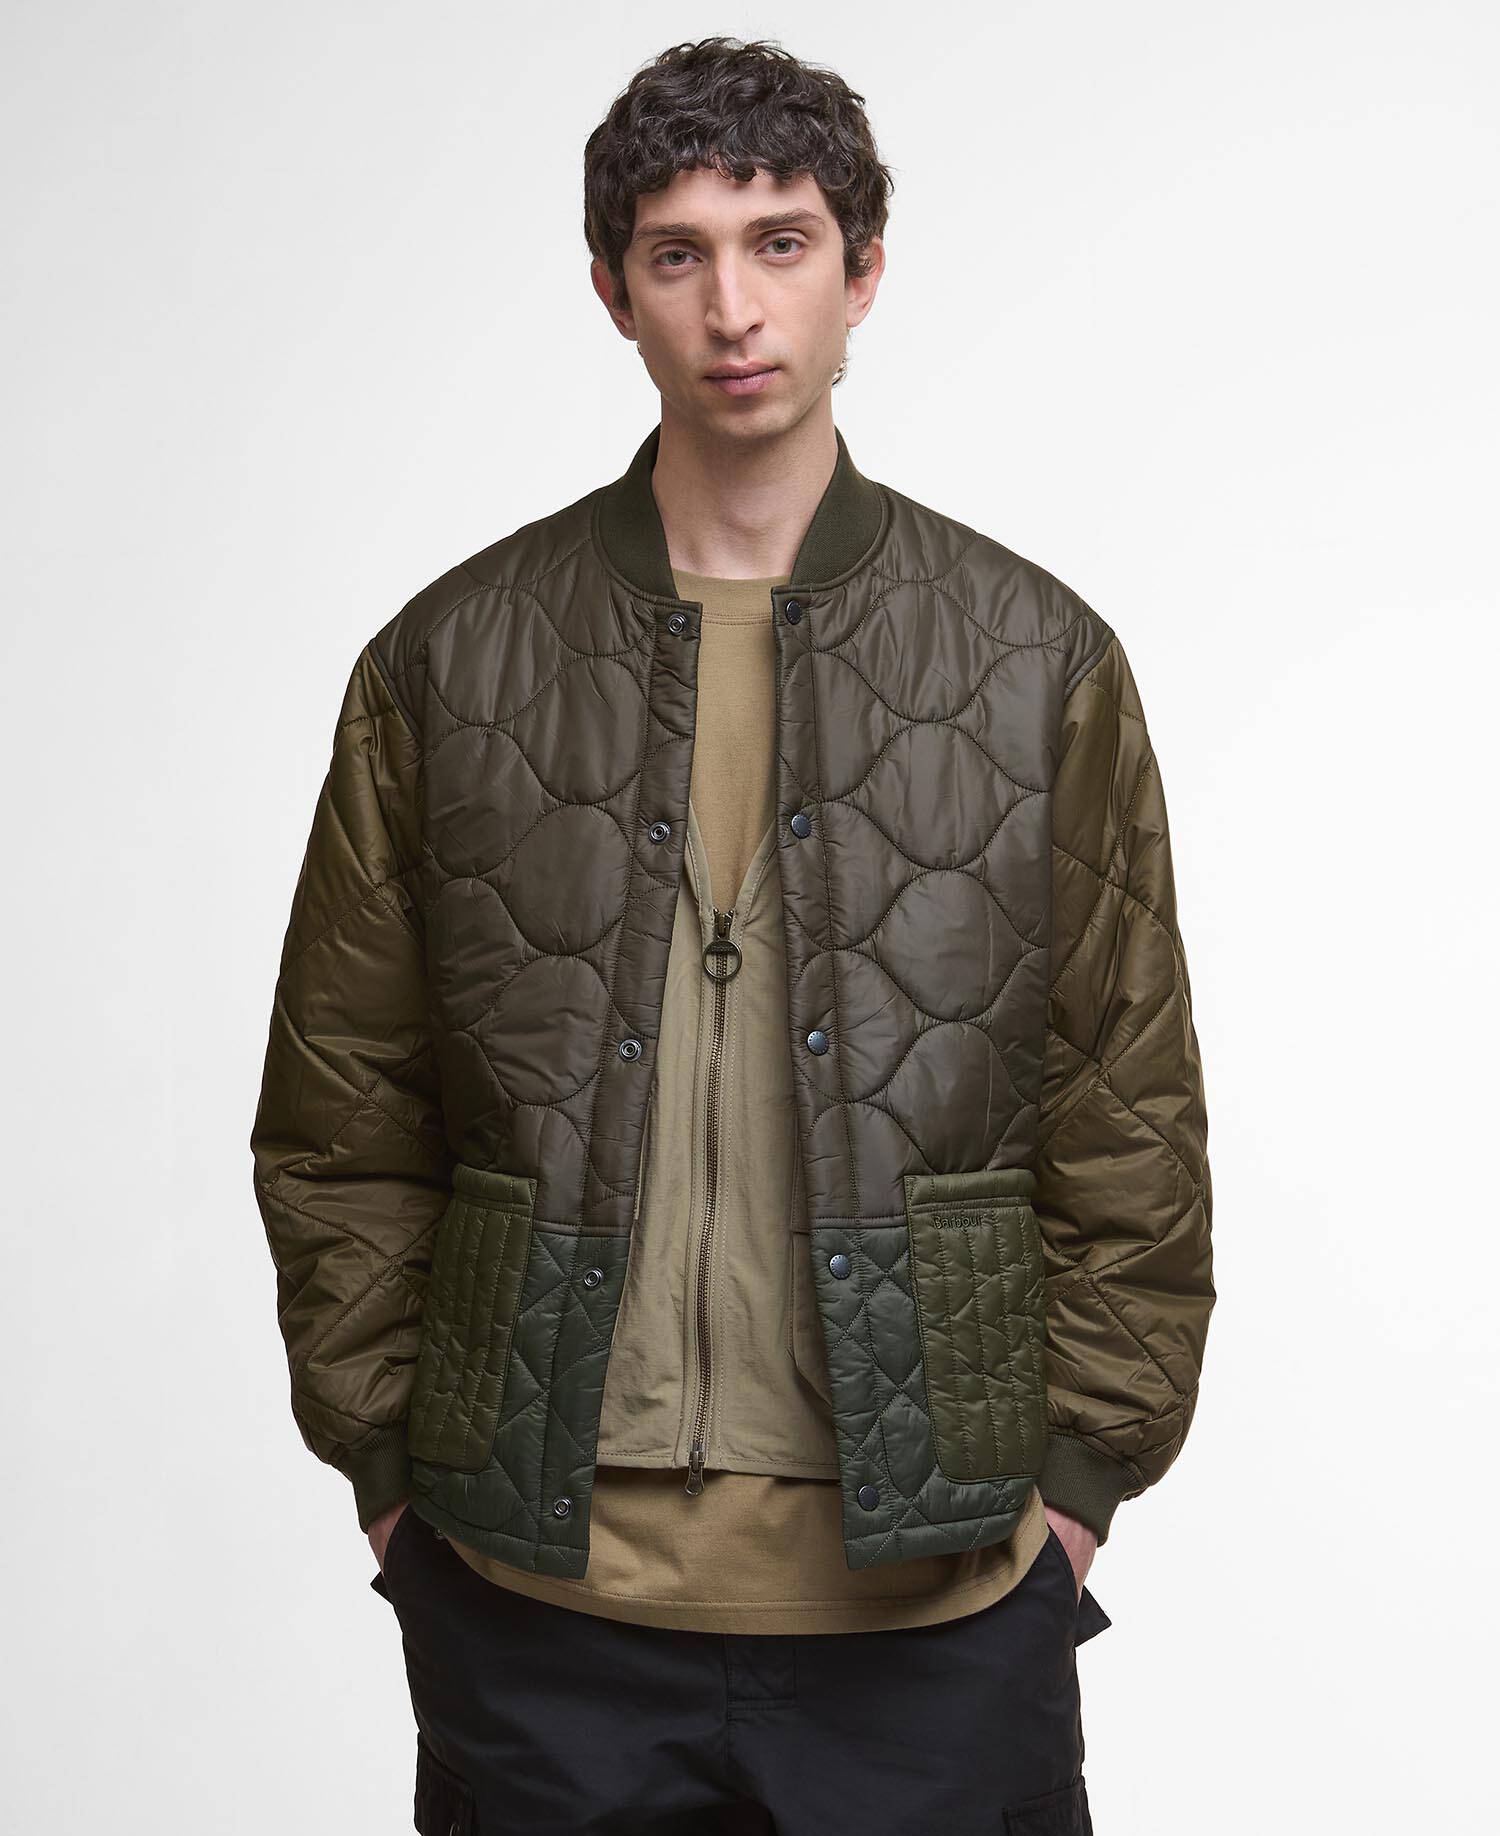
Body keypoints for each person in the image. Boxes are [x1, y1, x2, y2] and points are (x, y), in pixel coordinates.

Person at [249, 34, 1214, 1836]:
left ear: (864, 273)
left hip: (941, 1612)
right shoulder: (451, 662)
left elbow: (1128, 1120)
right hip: (538, 1610)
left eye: (781, 243)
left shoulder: (1037, 663)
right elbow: (342, 1120)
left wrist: (1076, 1488)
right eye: (678, 253)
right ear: (612, 290)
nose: (734, 308)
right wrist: (394, 1476)